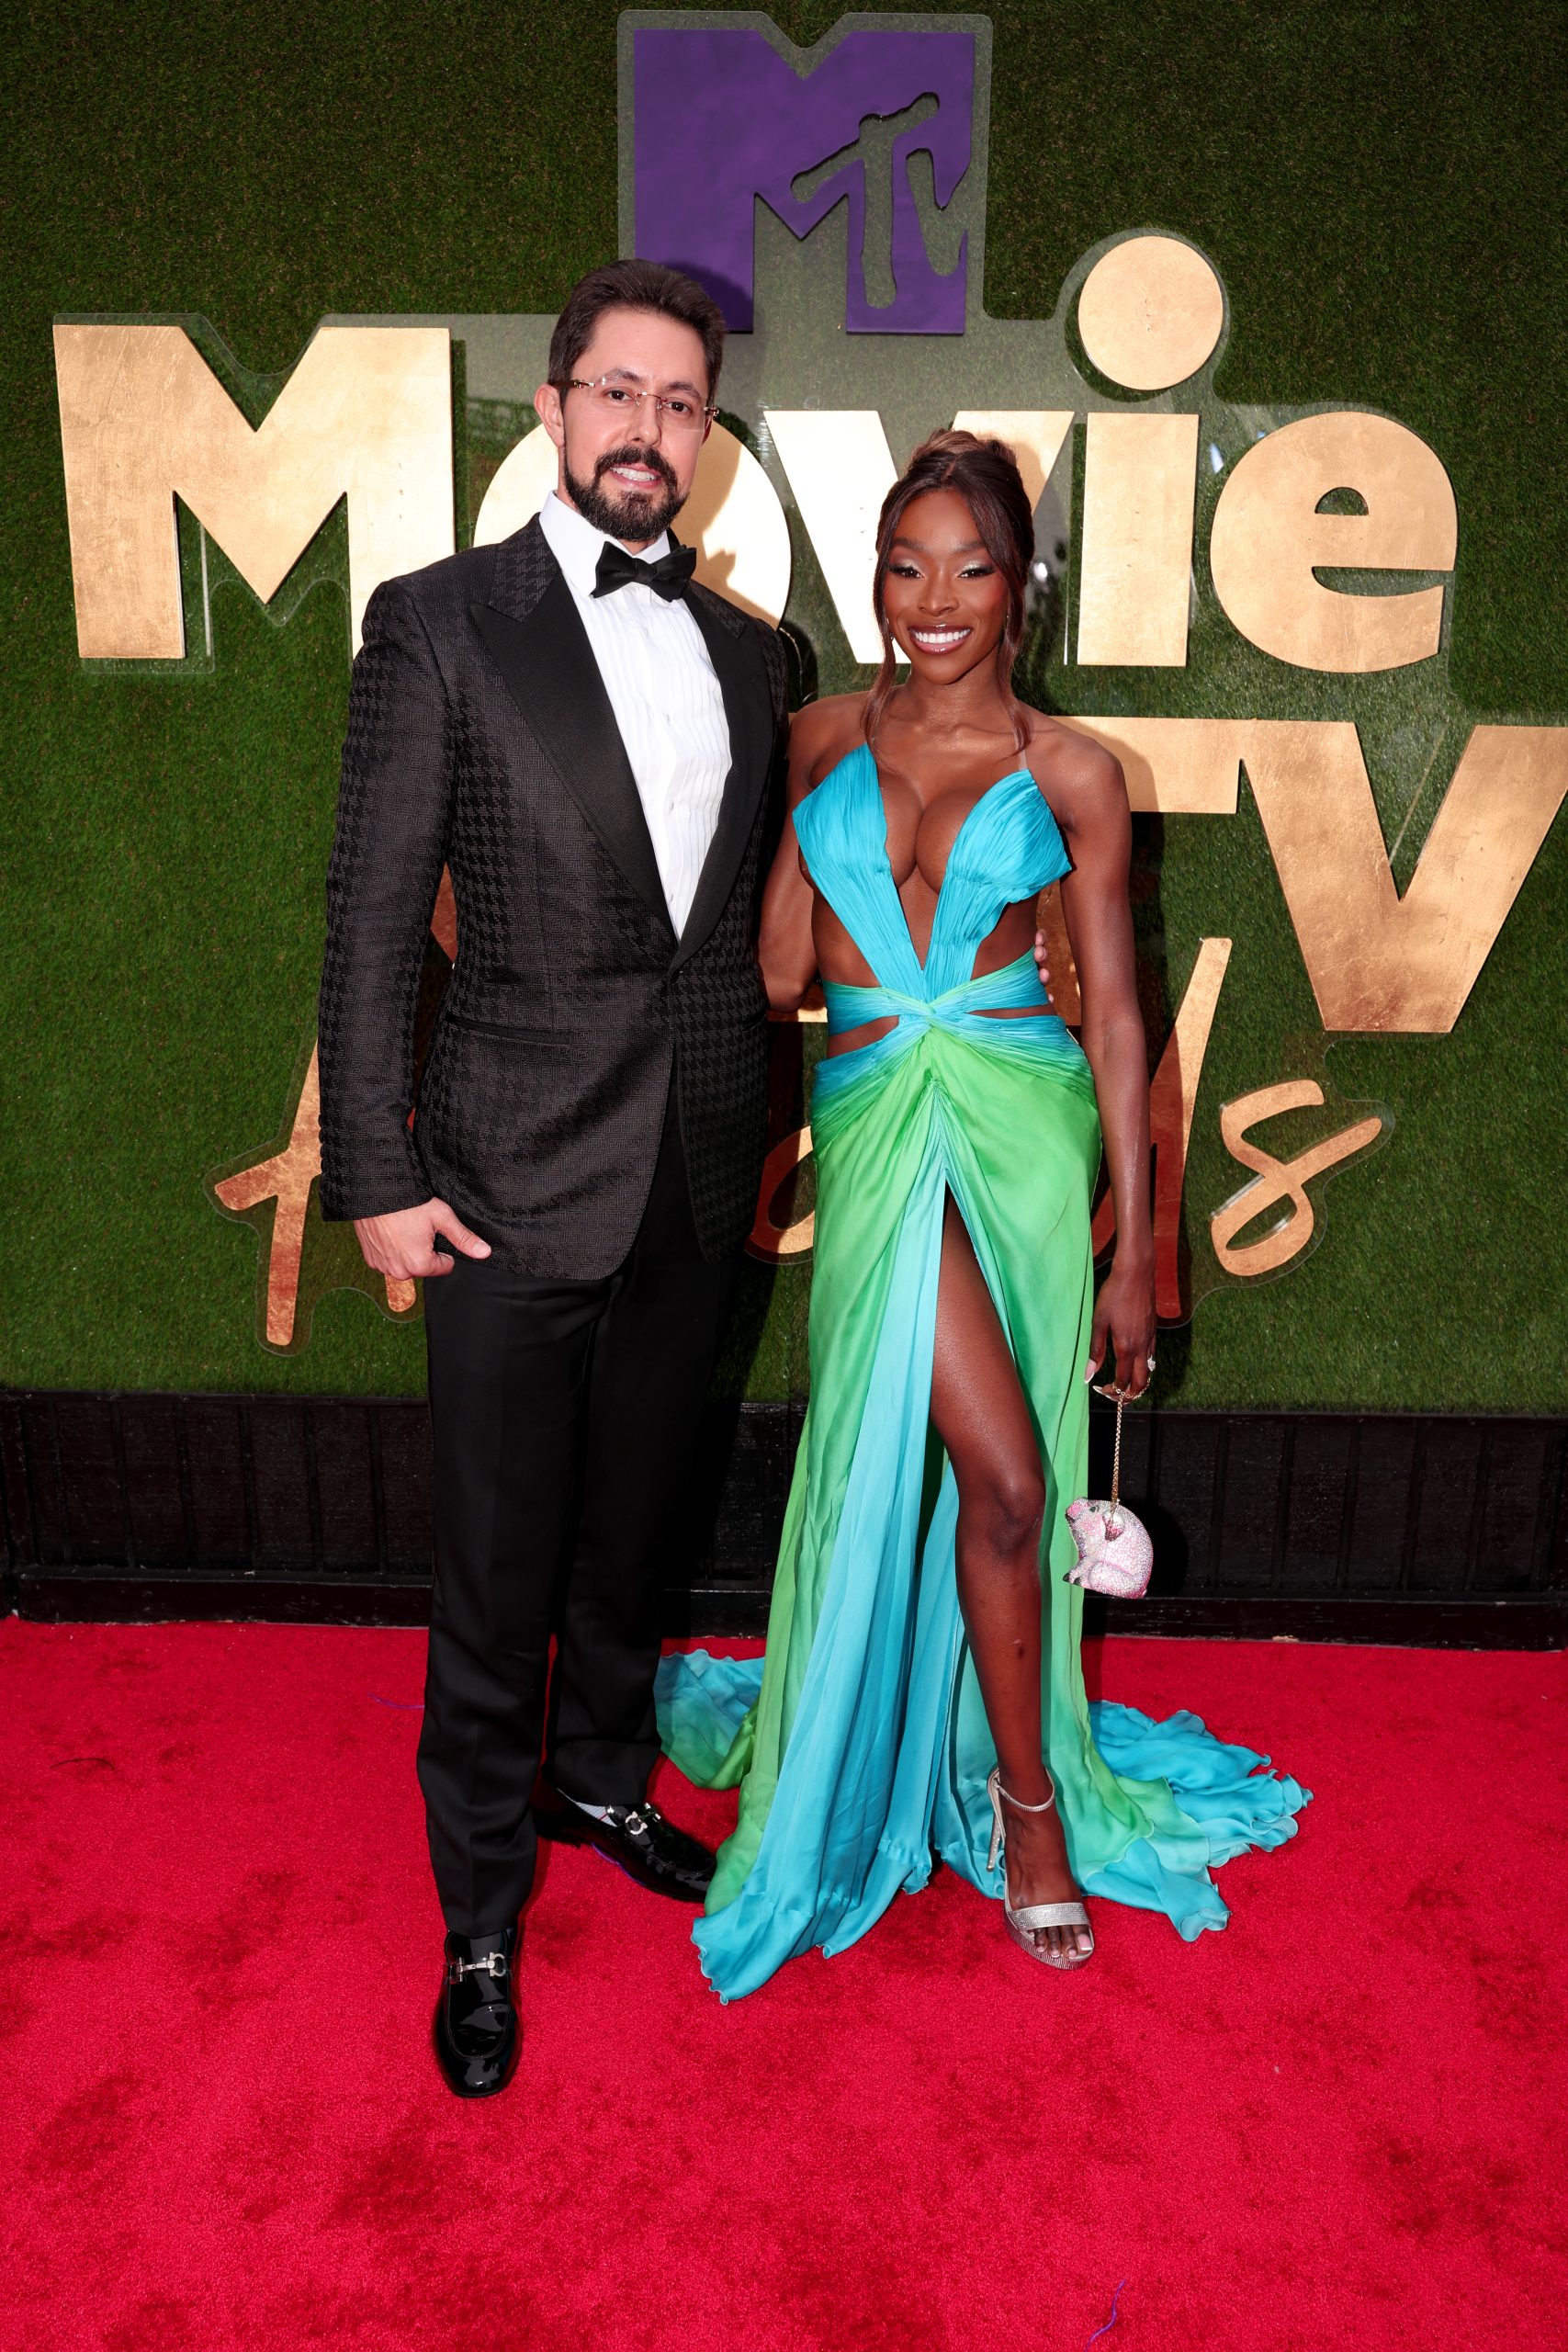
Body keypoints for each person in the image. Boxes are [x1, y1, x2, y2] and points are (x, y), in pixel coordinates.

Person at [657, 431, 1308, 2002]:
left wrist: (1138, 1252)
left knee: (1009, 1484)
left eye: (973, 568)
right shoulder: (813, 737)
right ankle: (1011, 1806)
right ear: (872, 573)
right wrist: (794, 883)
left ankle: (1027, 1804)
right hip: (880, 1118)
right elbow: (776, 978)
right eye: (905, 564)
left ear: (1024, 588)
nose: (934, 600)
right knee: (1003, 1475)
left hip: (1021, 1131)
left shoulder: (1071, 768)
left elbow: (1121, 1025)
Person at [317, 260, 791, 2098]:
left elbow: (726, 932)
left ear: (706, 437)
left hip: (690, 1170)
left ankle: (601, 1770)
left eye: (680, 405)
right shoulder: (437, 622)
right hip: (502, 1172)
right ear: (552, 406)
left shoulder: (756, 654)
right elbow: (369, 916)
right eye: (617, 394)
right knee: (493, 1556)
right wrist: (374, 1161)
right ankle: (480, 1909)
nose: (646, 433)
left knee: (636, 1525)